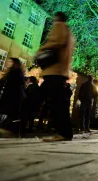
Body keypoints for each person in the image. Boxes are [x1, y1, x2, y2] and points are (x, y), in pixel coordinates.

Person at [39, 12, 75, 142]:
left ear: (57, 18)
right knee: (59, 103)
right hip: (61, 71)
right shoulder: (69, 33)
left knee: (38, 98)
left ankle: (13, 125)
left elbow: (54, 43)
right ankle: (65, 133)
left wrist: (40, 51)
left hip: (53, 70)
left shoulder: (59, 27)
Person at [0, 58, 26, 133]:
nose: (7, 62)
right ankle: (6, 130)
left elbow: (20, 83)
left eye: (10, 61)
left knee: (12, 114)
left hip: (14, 97)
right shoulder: (13, 72)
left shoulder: (17, 72)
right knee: (10, 114)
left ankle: (8, 130)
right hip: (12, 96)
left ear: (14, 63)